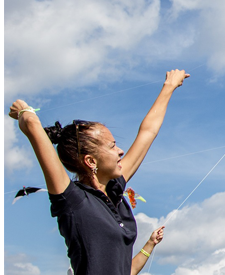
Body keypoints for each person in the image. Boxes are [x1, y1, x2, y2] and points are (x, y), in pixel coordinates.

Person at [9, 69, 189, 275]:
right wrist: (24, 110)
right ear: (90, 161)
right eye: (112, 146)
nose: (121, 150)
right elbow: (32, 125)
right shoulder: (72, 199)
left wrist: (169, 86)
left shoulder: (114, 191)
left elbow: (148, 133)